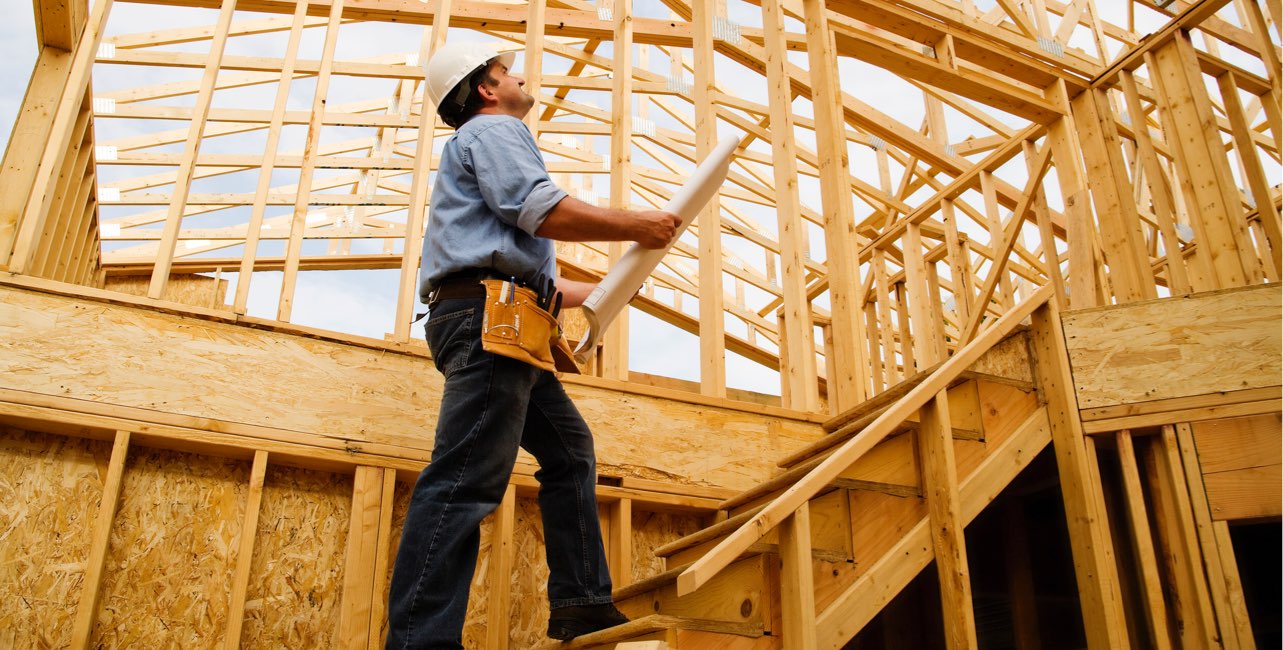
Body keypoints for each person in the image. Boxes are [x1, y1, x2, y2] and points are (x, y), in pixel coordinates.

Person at [384, 41, 683, 650]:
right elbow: (539, 211)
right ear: (488, 90)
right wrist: (640, 225)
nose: (519, 76)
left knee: (570, 452)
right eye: (505, 71)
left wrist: (605, 287)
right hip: (489, 317)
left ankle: (581, 603)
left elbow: (526, 266)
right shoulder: (494, 132)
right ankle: (419, 640)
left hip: (501, 316)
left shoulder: (477, 143)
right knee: (467, 477)